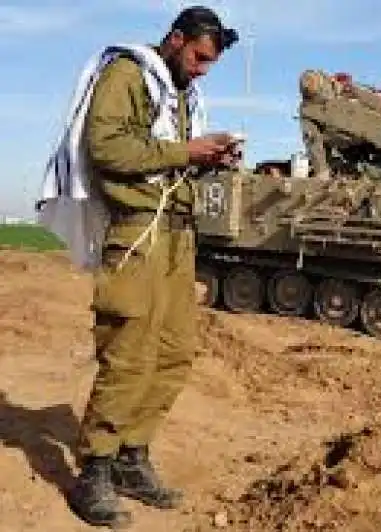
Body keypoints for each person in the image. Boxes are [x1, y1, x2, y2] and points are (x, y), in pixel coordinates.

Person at [45, 6, 239, 528]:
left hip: (177, 234)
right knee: (128, 352)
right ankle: (95, 471)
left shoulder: (180, 91)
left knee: (174, 352)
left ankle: (133, 456)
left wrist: (210, 157)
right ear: (175, 40)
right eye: (198, 58)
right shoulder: (128, 73)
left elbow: (169, 154)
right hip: (137, 233)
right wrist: (185, 151)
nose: (201, 70)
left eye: (209, 64)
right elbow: (106, 145)